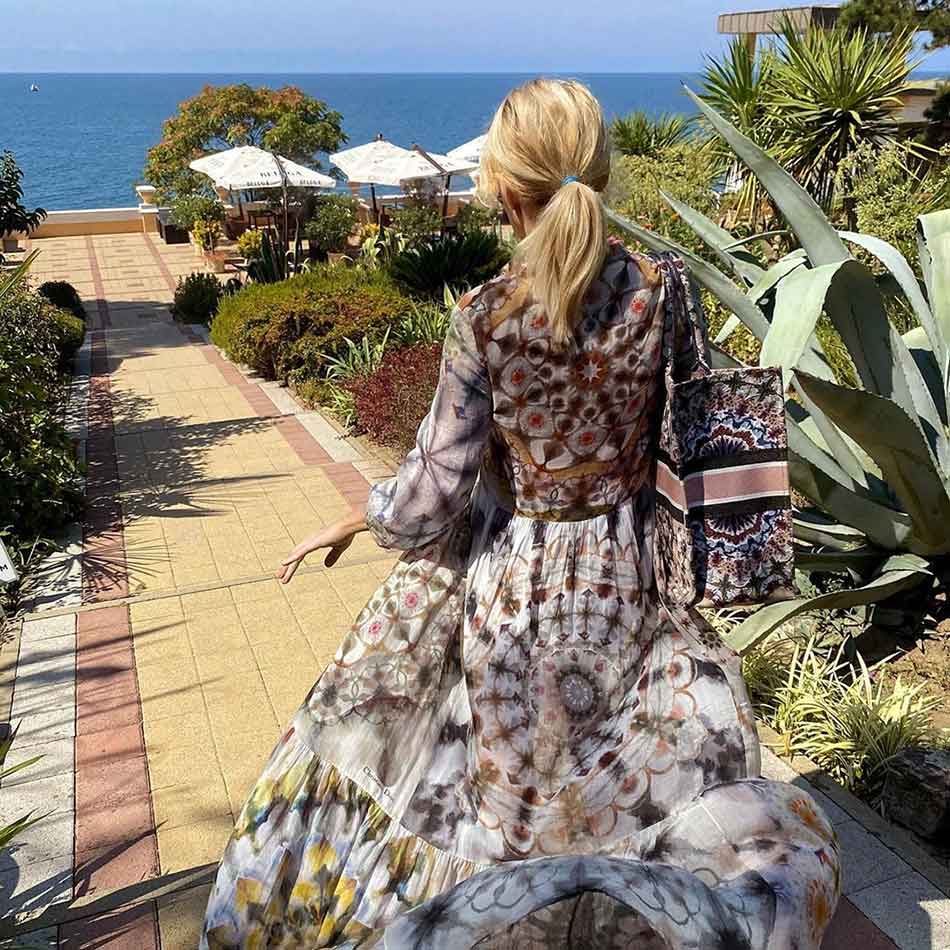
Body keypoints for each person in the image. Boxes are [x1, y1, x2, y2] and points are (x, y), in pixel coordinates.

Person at [202, 79, 840, 949]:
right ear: (598, 172)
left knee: (514, 808)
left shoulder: (484, 317)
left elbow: (433, 494)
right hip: (632, 586)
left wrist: (362, 516)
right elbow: (700, 429)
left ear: (504, 188)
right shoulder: (666, 291)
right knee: (627, 787)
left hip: (515, 599)